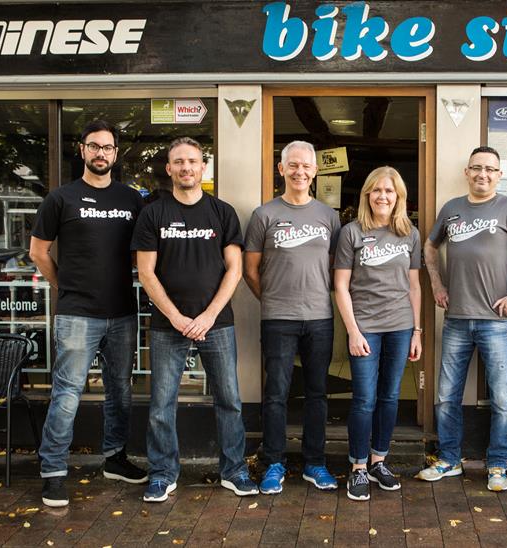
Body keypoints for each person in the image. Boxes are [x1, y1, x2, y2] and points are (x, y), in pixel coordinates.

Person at [417, 146, 507, 492]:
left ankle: (497, 465)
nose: (483, 174)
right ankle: (448, 460)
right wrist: (437, 283)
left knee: (503, 400)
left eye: (490, 169)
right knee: (447, 396)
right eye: (477, 168)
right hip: (457, 319)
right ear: (467, 171)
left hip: (496, 322)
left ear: (499, 175)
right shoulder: (452, 209)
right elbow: (430, 248)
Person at [132, 137, 257, 502]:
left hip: (216, 323)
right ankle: (162, 472)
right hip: (167, 325)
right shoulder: (152, 214)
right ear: (169, 169)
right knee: (161, 403)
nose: (186, 167)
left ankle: (233, 471)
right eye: (179, 162)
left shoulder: (222, 212)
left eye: (193, 161)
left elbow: (234, 271)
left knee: (230, 400)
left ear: (203, 168)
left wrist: (206, 316)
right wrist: (176, 317)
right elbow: (146, 273)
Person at [31, 120, 147, 508]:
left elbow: (141, 254)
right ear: (82, 150)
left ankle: (114, 458)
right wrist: (64, 288)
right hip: (77, 314)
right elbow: (38, 252)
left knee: (121, 391)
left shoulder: (132, 200)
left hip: (122, 313)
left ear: (116, 154)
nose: (101, 153)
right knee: (67, 394)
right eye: (94, 146)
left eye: (108, 147)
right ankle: (53, 472)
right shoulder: (61, 198)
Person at [244, 141, 341, 494]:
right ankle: (274, 463)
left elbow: (334, 267)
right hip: (278, 319)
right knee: (276, 393)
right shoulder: (264, 215)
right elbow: (250, 269)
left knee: (317, 394)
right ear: (281, 169)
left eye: (307, 166)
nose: (300, 172)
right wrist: (270, 299)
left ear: (316, 171)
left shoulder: (329, 216)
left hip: (319, 318)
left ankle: (315, 463)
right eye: (293, 165)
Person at [333, 166, 422, 501]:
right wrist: (353, 331)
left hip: (400, 327)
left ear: (398, 197)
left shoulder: (409, 233)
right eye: (377, 190)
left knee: (390, 397)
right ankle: (357, 468)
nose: (383, 196)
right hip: (366, 327)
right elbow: (341, 286)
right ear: (367, 195)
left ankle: (378, 461)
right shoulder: (352, 233)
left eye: (390, 191)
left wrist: (417, 331)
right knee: (364, 399)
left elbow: (414, 286)